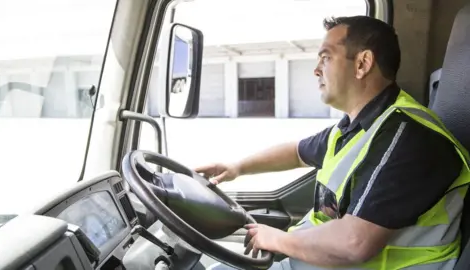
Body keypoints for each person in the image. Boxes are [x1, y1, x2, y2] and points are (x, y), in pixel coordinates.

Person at [195, 15, 470, 270]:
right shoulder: (357, 127)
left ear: (362, 64)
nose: (316, 70)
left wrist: (275, 240)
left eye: (325, 58)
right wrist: (236, 168)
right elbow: (296, 152)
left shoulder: (408, 137)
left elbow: (354, 243)